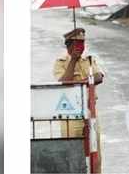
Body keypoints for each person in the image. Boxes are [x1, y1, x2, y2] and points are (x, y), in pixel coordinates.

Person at [53, 28, 104, 173]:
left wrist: (82, 82)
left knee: (95, 152)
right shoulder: (60, 62)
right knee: (73, 152)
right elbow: (64, 82)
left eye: (82, 43)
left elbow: (99, 76)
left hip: (90, 111)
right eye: (77, 43)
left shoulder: (89, 59)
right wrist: (73, 61)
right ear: (69, 45)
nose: (81, 46)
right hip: (71, 114)